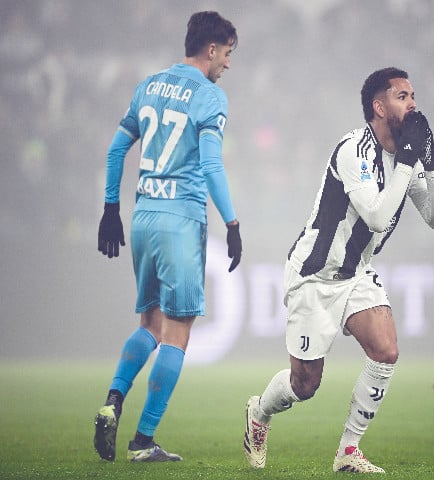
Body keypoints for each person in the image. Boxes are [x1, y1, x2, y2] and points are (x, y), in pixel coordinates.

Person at [243, 67, 434, 473]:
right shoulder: (353, 150)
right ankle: (258, 414)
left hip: (356, 273)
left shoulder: (405, 155)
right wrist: (409, 160)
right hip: (315, 274)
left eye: (413, 95)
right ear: (379, 106)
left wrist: (430, 158)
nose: (413, 103)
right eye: (402, 96)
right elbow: (375, 217)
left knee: (386, 350)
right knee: (306, 385)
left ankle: (348, 451)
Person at [93, 11, 242, 462]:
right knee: (177, 333)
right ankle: (143, 440)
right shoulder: (210, 96)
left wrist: (110, 209)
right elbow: (213, 166)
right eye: (228, 54)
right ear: (212, 49)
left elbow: (117, 148)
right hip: (181, 221)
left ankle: (113, 400)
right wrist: (233, 224)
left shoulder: (149, 86)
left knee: (150, 326)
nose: (228, 65)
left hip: (142, 218)